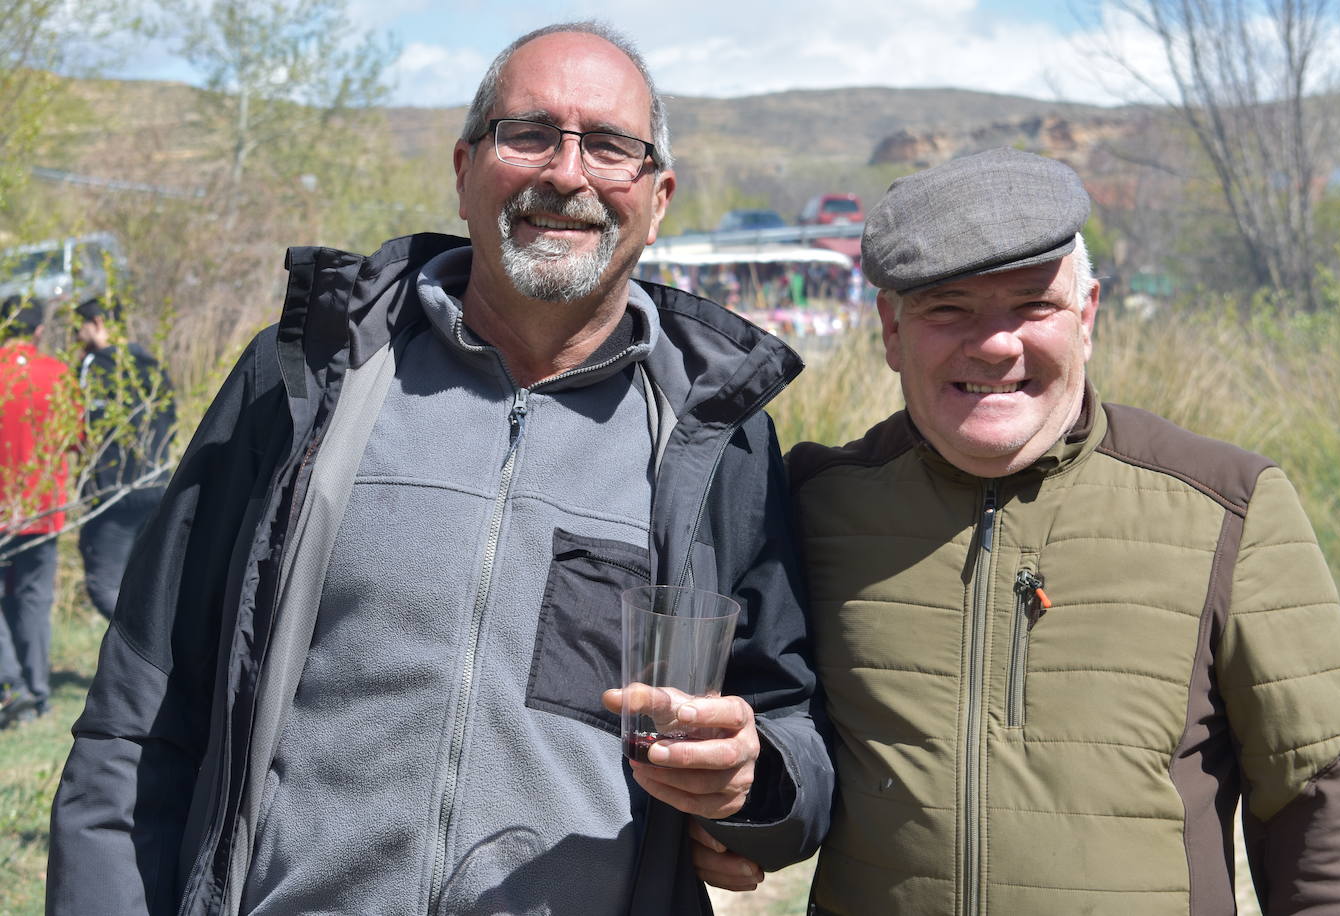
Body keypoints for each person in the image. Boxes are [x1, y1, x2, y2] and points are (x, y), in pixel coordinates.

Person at [48, 21, 830, 916]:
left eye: (610, 146)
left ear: (658, 198)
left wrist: (749, 781)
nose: (565, 174)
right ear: (464, 170)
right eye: (529, 132)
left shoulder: (715, 439)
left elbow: (791, 738)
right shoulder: (308, 383)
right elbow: (140, 712)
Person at [693, 148, 1340, 913]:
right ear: (890, 329)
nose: (994, 344)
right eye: (947, 308)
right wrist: (739, 810)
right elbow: (777, 755)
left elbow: (1327, 798)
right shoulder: (817, 502)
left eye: (1033, 304)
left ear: (1086, 316)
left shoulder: (1229, 508)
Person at [73, 295, 177, 620]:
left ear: (98, 324)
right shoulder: (150, 364)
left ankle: (135, 643)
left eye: (79, 328)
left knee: (103, 583)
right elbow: (170, 422)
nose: (77, 337)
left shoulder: (94, 367)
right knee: (144, 584)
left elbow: (79, 426)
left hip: (113, 493)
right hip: (154, 486)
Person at [0, 297, 72, 729]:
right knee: (33, 601)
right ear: (39, 331)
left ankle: (13, 688)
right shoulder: (59, 374)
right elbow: (77, 438)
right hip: (46, 507)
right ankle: (38, 694)